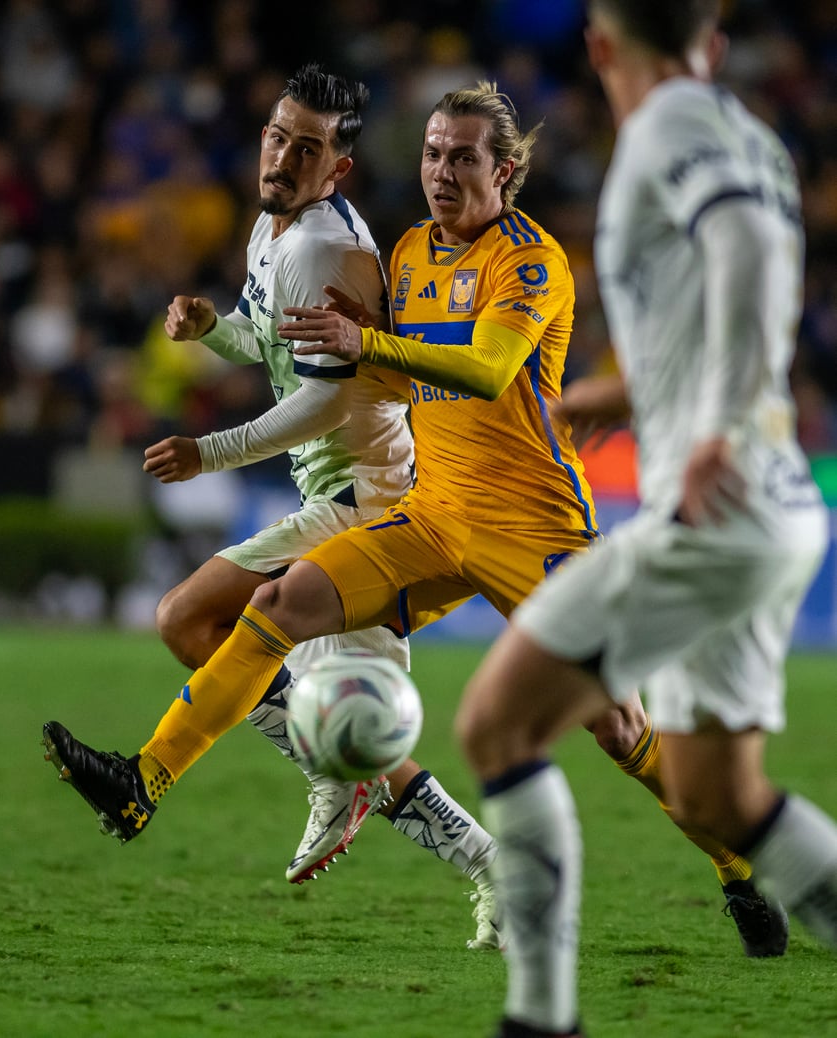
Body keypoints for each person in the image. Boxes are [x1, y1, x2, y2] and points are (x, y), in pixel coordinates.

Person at [44, 75, 783, 968]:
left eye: (462, 158)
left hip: (536, 533)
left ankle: (738, 865)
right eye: (432, 154)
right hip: (430, 517)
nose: (441, 172)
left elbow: (484, 368)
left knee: (617, 726)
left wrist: (362, 349)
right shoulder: (406, 254)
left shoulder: (533, 262)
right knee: (277, 608)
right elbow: (398, 379)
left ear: (504, 172)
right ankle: (143, 782)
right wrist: (308, 349)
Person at [452, 2, 837, 1034]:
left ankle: (538, 1019)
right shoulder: (743, 132)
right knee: (720, 799)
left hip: (715, 505)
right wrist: (628, 397)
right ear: (710, 42)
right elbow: (722, 288)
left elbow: (749, 250)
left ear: (597, 47)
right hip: (772, 504)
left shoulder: (664, 124)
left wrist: (712, 419)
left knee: (497, 724)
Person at [122, 63, 507, 948]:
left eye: (308, 146)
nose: (284, 155)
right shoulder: (274, 229)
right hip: (334, 494)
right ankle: (482, 859)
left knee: (195, 622)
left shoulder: (324, 248)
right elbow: (273, 343)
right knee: (339, 723)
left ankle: (389, 808)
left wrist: (211, 452)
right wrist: (213, 328)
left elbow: (329, 399)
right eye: (276, 134)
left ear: (339, 167)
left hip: (366, 503)